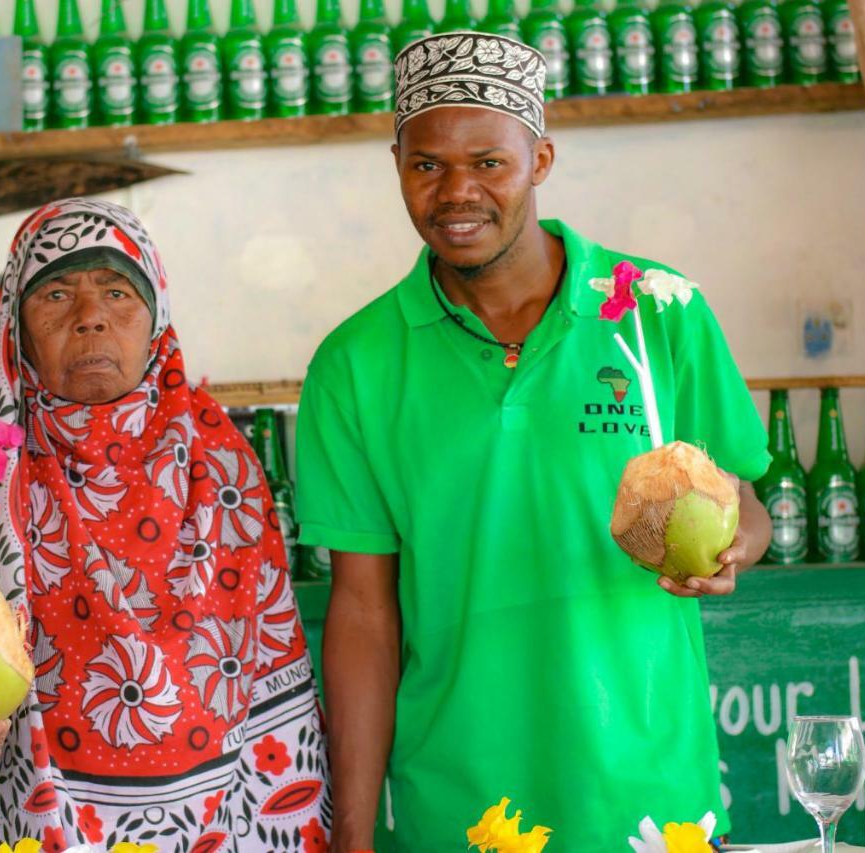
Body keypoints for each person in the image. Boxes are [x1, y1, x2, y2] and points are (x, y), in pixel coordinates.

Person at [295, 34, 773, 852]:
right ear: (398, 166)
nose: (457, 192)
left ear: (541, 159)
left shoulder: (659, 312)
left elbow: (747, 502)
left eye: (489, 162)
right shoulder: (355, 364)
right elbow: (364, 613)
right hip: (461, 815)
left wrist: (732, 550)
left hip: (653, 811)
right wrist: (353, 833)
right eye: (427, 166)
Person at [0, 198, 330, 852]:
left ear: (157, 318)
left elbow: (274, 695)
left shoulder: (221, 456)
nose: (90, 317)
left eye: (117, 291)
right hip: (39, 824)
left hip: (225, 826)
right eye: (56, 293)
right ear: (16, 326)